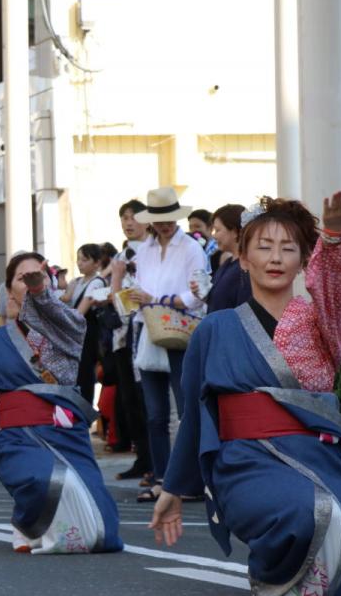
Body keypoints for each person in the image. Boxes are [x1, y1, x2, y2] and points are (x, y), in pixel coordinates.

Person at [151, 193, 341, 594]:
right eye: (263, 247)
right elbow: (195, 415)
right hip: (246, 463)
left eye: (288, 248)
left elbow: (333, 288)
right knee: (303, 510)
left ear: (303, 260)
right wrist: (173, 489)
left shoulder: (323, 323)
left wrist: (333, 235)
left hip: (320, 458)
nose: (276, 257)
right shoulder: (214, 329)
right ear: (243, 259)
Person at [0, 251, 123, 555]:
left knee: (103, 531)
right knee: (43, 479)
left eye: (40, 276)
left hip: (65, 432)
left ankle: (33, 526)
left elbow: (48, 307)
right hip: (15, 436)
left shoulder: (71, 329)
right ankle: (26, 520)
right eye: (22, 278)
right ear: (8, 290)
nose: (31, 282)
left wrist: (39, 292)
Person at [128, 186, 209, 502]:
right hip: (150, 328)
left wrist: (158, 299)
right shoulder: (144, 251)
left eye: (169, 219)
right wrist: (137, 297)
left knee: (186, 409)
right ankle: (162, 477)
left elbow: (200, 292)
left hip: (179, 329)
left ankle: (187, 478)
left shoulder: (191, 248)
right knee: (155, 414)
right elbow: (143, 288)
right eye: (160, 220)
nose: (165, 225)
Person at [108, 199, 152, 481]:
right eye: (124, 217)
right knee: (130, 401)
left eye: (134, 216)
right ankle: (143, 459)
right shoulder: (122, 255)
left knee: (150, 402)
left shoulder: (149, 254)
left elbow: (128, 302)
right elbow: (120, 305)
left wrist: (117, 279)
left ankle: (154, 463)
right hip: (123, 337)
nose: (128, 222)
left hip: (148, 334)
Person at [64, 243, 108, 404]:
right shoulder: (77, 281)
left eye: (84, 259)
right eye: (78, 259)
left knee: (84, 374)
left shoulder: (96, 282)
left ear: (97, 263)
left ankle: (84, 412)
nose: (79, 263)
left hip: (88, 333)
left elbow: (82, 310)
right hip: (76, 333)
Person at [197, 203, 251, 313]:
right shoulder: (228, 263)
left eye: (217, 230)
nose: (214, 236)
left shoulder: (245, 268)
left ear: (235, 231)